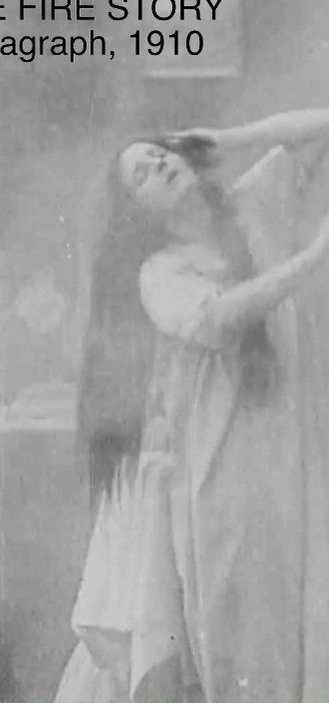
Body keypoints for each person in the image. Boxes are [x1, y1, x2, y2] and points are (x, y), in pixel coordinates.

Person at [54, 109, 329, 703]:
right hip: (228, 476)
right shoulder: (161, 273)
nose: (160, 164)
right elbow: (217, 320)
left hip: (297, 449)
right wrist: (315, 260)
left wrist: (226, 140)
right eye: (142, 174)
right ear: (138, 212)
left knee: (311, 618)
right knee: (252, 640)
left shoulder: (251, 206)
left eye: (160, 153)